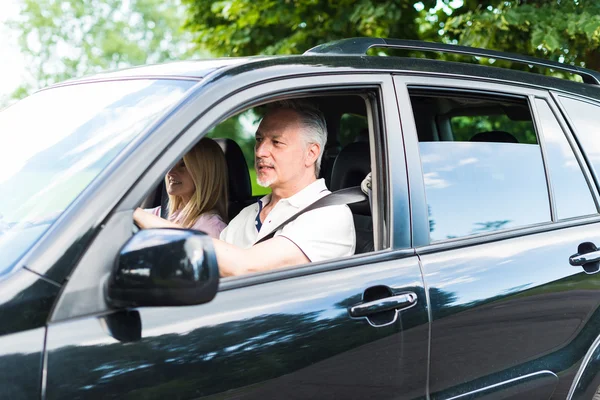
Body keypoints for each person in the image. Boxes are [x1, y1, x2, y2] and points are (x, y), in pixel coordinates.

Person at [214, 100, 355, 277]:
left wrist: (175, 236)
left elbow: (247, 267)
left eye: (276, 142)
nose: (260, 152)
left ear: (311, 153)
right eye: (259, 140)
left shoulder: (330, 214)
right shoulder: (247, 214)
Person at [133, 137, 228, 239]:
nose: (170, 172)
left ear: (205, 174)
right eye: (171, 163)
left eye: (183, 165)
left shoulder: (211, 228)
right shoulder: (165, 214)